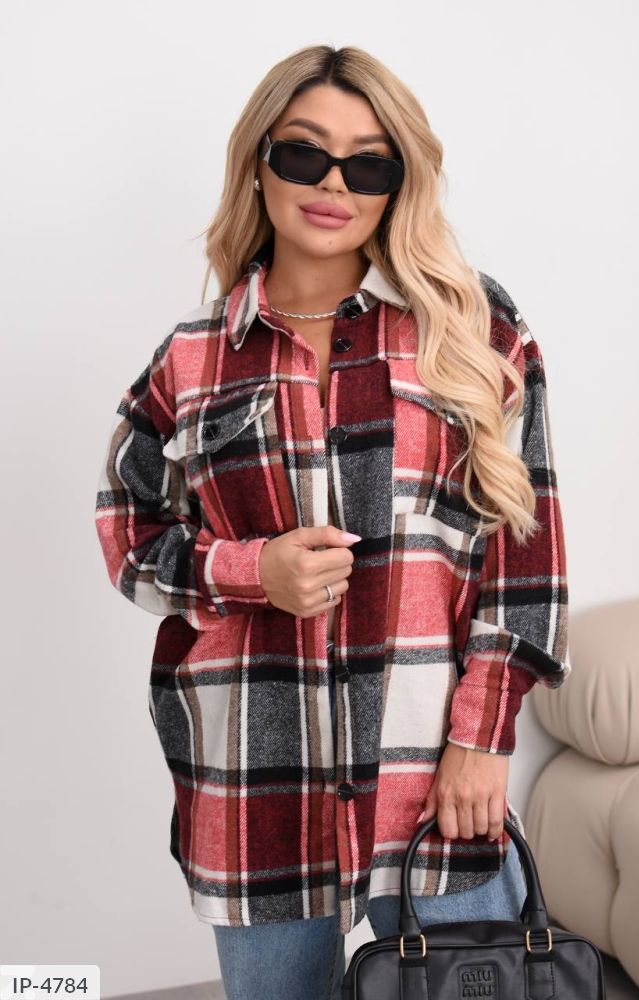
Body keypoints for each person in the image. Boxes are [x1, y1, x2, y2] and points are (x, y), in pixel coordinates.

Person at [94, 43, 570, 1000]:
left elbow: (526, 555)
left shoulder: (474, 328)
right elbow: (128, 534)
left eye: (369, 164)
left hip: (436, 785)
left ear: (400, 184)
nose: (334, 185)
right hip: (258, 788)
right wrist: (250, 571)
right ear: (258, 163)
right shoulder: (191, 359)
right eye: (305, 153)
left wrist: (482, 739)